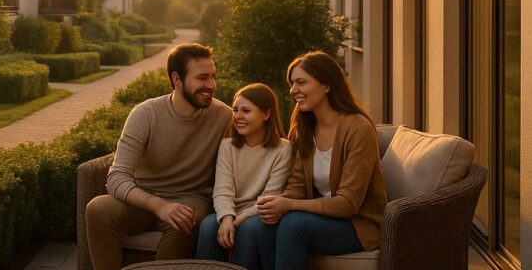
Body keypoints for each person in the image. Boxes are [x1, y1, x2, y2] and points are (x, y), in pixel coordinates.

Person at [85, 43, 232, 269]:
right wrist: (158, 205)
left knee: (186, 217)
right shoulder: (146, 114)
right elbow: (116, 177)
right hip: (143, 200)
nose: (211, 85)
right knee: (97, 209)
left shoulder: (224, 116)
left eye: (213, 77)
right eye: (202, 78)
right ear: (176, 79)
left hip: (190, 198)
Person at [253, 51, 387, 270]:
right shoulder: (305, 127)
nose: (292, 90)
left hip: (359, 224)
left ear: (326, 85)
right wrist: (275, 203)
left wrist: (290, 205)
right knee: (265, 223)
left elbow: (348, 203)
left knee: (294, 226)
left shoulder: (358, 128)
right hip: (324, 218)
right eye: (292, 83)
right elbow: (296, 187)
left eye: (301, 82)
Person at [196, 83, 293, 270]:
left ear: (266, 114)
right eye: (235, 110)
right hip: (230, 210)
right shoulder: (228, 145)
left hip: (259, 214)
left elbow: (269, 198)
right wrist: (226, 218)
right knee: (208, 225)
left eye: (246, 111)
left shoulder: (283, 149)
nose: (238, 117)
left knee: (248, 228)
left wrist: (235, 222)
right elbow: (223, 189)